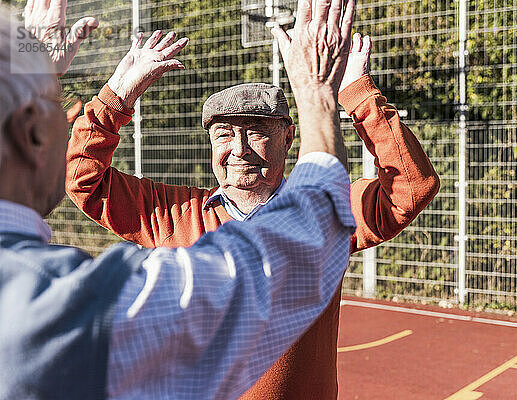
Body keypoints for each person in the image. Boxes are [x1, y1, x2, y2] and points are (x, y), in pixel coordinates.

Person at [66, 6, 440, 400]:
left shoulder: (324, 211)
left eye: (257, 131)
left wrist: (355, 91)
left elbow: (412, 187)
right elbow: (82, 180)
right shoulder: (174, 214)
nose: (239, 149)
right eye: (224, 134)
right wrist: (115, 98)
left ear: (288, 138)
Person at [0, 0, 359, 398]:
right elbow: (305, 241)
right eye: (61, 105)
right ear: (31, 133)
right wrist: (317, 94)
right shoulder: (68, 308)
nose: (72, 118)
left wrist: (37, 71)